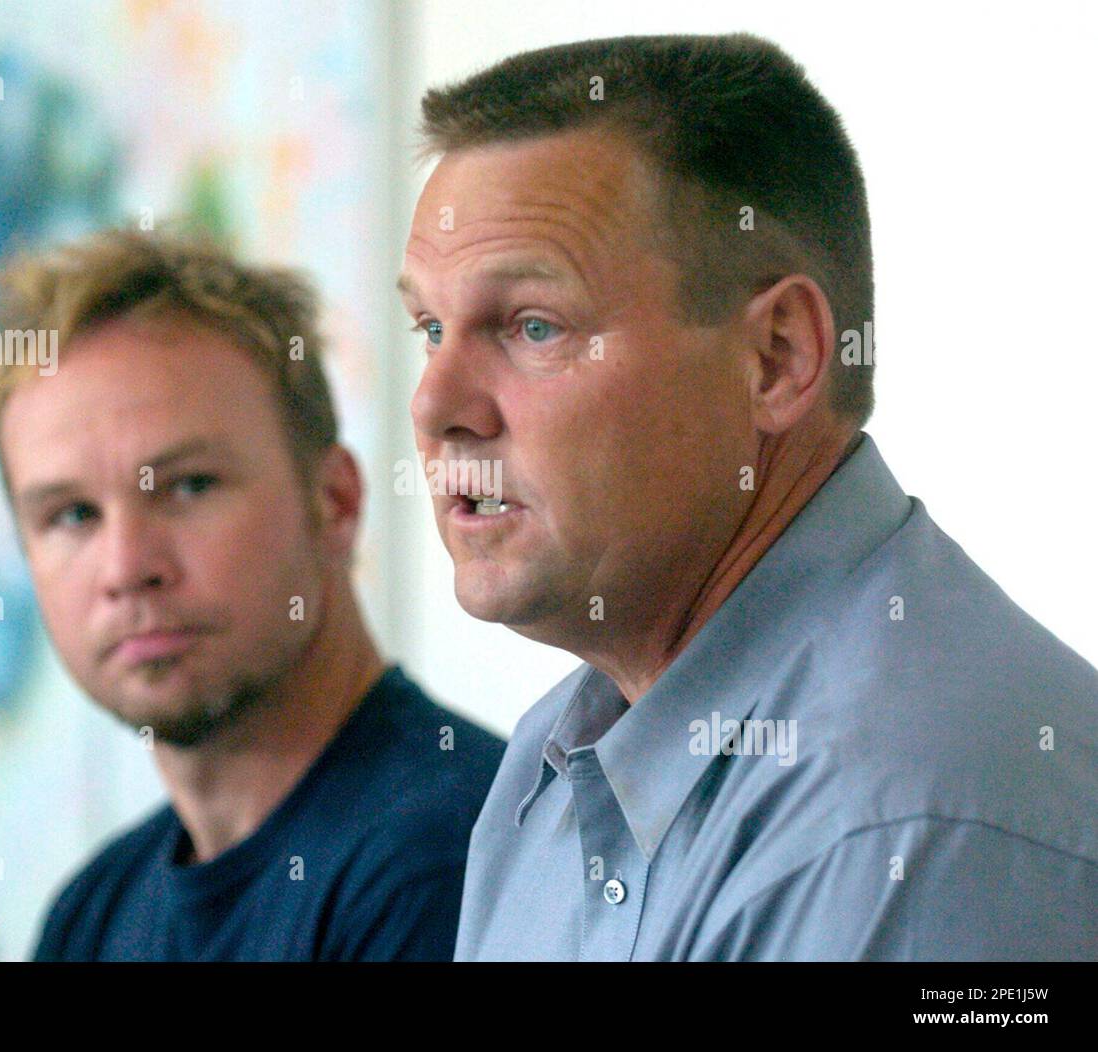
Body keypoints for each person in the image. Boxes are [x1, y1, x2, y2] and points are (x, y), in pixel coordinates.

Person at [398, 33, 1098, 960]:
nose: (436, 404)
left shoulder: (911, 826)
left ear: (776, 358)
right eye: (432, 326)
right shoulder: (549, 761)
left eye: (533, 327)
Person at [0, 227, 505, 961]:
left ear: (336, 503)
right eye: (71, 515)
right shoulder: (91, 915)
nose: (128, 567)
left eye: (189, 486)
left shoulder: (452, 860)